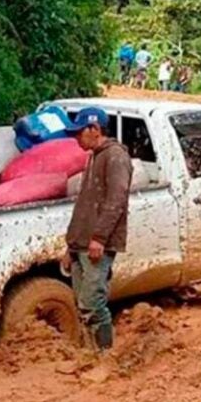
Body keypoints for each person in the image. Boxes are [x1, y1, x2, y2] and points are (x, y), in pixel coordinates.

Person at [61, 107, 133, 352]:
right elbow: (84, 204)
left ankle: (105, 354)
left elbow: (117, 200)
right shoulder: (94, 156)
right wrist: (71, 246)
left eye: (79, 133)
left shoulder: (115, 157)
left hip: (96, 243)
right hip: (82, 242)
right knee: (83, 304)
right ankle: (90, 352)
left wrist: (99, 238)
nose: (76, 139)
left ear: (95, 129)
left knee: (92, 302)